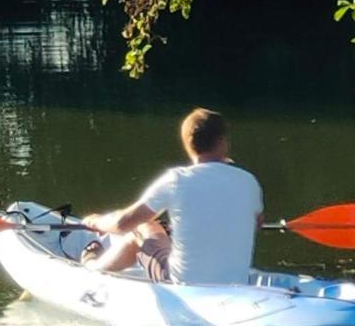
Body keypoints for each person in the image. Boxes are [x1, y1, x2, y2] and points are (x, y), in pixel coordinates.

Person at [81, 108, 263, 285]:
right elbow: (256, 224)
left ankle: (93, 268)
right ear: (223, 142)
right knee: (158, 230)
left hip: (182, 283)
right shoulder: (250, 182)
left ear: (188, 146)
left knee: (142, 227)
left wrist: (95, 222)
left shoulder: (177, 180)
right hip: (235, 284)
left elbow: (123, 224)